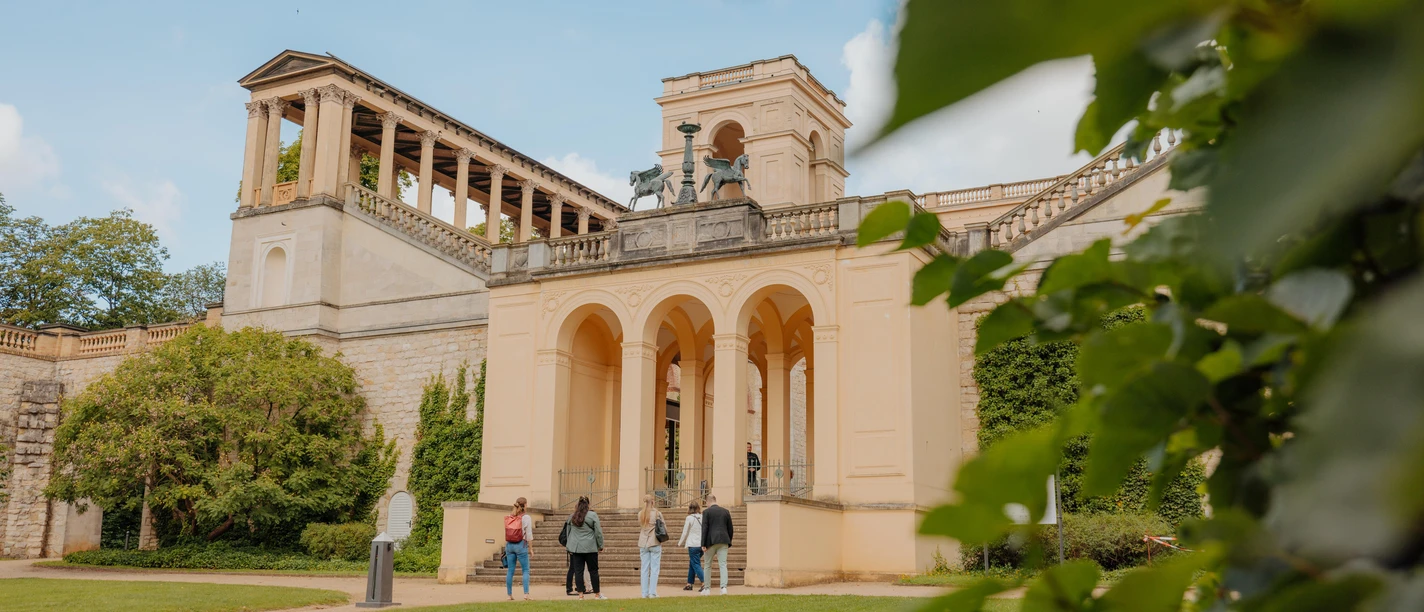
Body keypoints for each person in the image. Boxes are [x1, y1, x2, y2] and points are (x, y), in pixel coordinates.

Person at [564, 496, 607, 600]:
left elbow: (568, 532)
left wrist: (569, 546)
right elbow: (598, 532)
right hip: (590, 547)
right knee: (593, 571)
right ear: (588, 504)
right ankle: (597, 594)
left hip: (576, 548)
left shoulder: (572, 516)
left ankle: (580, 595)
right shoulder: (592, 515)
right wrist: (600, 545)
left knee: (578, 571)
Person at [702, 493, 734, 595]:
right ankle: (723, 588)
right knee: (723, 564)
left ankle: (707, 589)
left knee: (707, 565)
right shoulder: (725, 511)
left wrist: (703, 544)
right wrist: (729, 540)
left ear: (708, 501)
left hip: (710, 542)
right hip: (724, 540)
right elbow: (730, 528)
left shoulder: (706, 512)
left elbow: (704, 529)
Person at [504, 497, 533, 601]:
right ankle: (526, 594)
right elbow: (529, 534)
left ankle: (509, 595)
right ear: (525, 505)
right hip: (521, 545)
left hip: (509, 545)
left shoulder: (510, 516)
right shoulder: (526, 517)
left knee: (510, 571)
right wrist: (531, 548)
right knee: (525, 570)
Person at [637, 494, 665, 598]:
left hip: (643, 542)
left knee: (644, 569)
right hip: (654, 541)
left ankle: (644, 593)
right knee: (654, 569)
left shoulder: (640, 514)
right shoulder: (657, 513)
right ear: (652, 502)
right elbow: (663, 526)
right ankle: (652, 592)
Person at [678, 500, 706, 593]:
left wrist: (680, 542)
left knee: (696, 564)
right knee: (692, 563)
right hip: (701, 544)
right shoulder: (702, 517)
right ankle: (689, 584)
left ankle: (704, 583)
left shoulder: (689, 518)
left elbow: (685, 532)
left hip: (693, 544)